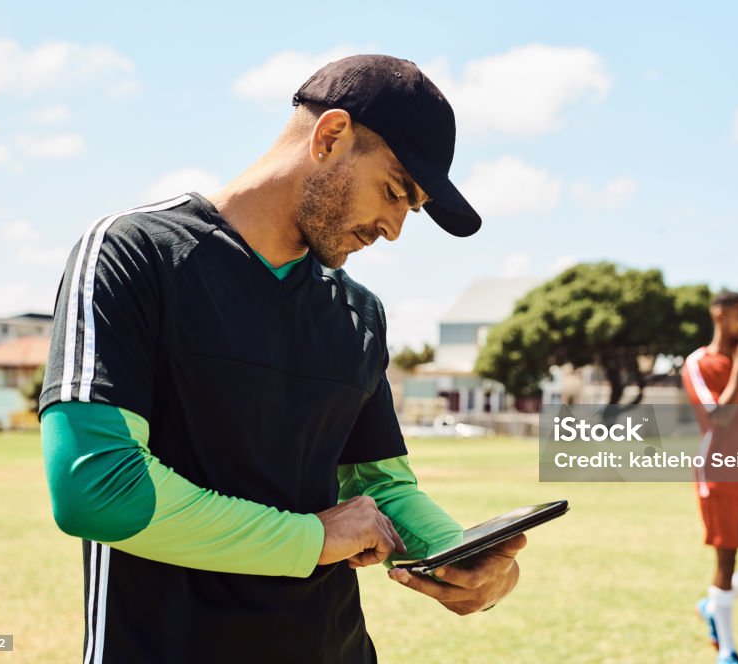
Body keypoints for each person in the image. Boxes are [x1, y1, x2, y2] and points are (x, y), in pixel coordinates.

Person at [39, 55, 525, 663]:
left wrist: (463, 558)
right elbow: (98, 489)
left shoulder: (359, 314)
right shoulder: (133, 255)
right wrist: (312, 538)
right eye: (395, 191)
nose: (395, 228)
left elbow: (383, 490)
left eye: (412, 208)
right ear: (330, 137)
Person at [681, 291, 738, 664]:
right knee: (726, 563)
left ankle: (712, 605)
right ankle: (729, 651)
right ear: (718, 315)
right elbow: (718, 416)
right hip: (718, 472)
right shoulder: (698, 362)